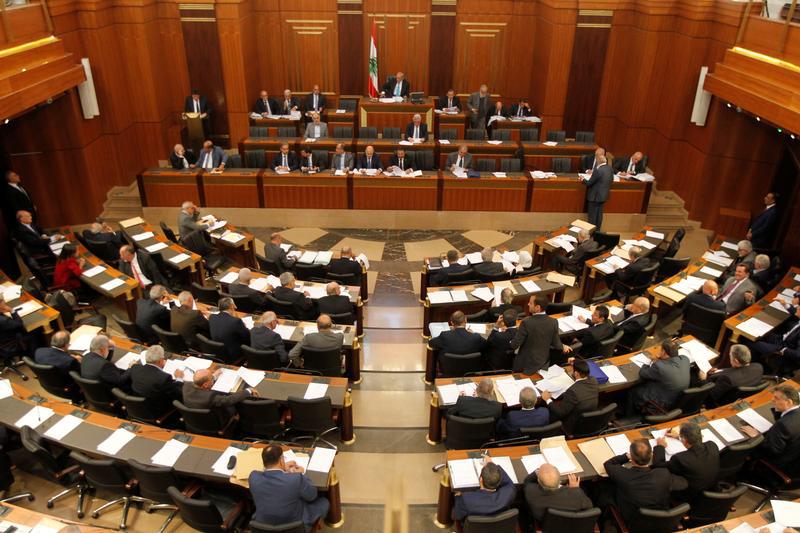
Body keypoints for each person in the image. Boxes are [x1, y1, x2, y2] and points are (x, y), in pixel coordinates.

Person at [603, 439, 688, 531]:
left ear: (632, 458)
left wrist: (626, 456)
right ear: (651, 455)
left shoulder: (624, 475)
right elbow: (684, 484)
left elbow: (608, 464)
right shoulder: (663, 474)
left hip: (633, 523)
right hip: (662, 522)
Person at [249, 444, 330, 532]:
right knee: (324, 502)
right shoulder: (296, 478)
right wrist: (302, 474)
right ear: (281, 460)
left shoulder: (253, 477)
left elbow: (265, 472)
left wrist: (281, 469)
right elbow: (312, 496)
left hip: (264, 527)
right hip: (295, 527)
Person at [653, 422, 719, 501]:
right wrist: (680, 437)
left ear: (685, 440)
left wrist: (660, 446)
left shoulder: (680, 458)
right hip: (711, 488)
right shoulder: (712, 445)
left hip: (691, 495)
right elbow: (697, 444)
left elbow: (658, 465)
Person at [740, 385, 800, 473]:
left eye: (776, 398)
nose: (772, 400)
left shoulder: (783, 425)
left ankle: (743, 472)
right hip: (793, 457)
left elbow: (770, 451)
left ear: (789, 402)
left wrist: (756, 436)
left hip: (779, 464)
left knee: (743, 448)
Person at [510, 295, 570, 374]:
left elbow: (514, 345)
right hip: (543, 364)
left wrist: (510, 340)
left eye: (530, 303)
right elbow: (557, 344)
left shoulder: (526, 322)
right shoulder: (553, 322)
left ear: (537, 307)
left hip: (525, 366)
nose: (528, 304)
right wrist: (563, 346)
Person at [628, 339, 690, 414]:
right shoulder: (685, 359)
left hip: (659, 403)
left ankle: (628, 415)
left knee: (632, 390)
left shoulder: (659, 366)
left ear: (663, 352)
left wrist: (649, 362)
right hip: (675, 400)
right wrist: (660, 359)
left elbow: (643, 373)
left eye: (661, 350)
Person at [541, 359, 598, 435]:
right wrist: (575, 362)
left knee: (548, 412)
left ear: (576, 373)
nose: (570, 371)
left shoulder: (572, 391)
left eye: (572, 370)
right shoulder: (593, 380)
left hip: (573, 424)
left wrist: (547, 399)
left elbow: (561, 413)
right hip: (588, 419)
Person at [182, 368, 256, 425]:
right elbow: (228, 400)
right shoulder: (210, 397)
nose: (213, 379)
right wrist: (248, 391)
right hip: (213, 422)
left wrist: (213, 376)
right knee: (236, 403)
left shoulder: (186, 386)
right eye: (211, 379)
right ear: (206, 384)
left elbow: (202, 383)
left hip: (194, 420)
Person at [524, 464, 593, 522]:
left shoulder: (531, 492)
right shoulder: (577, 494)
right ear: (560, 480)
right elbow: (589, 508)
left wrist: (538, 471)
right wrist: (574, 489)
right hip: (572, 526)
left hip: (548, 526)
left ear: (538, 481)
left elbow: (527, 481)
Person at [128, 345, 183, 415]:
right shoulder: (164, 377)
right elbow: (177, 394)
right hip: (158, 409)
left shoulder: (135, 368)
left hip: (139, 406)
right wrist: (179, 378)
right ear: (160, 361)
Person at [750, 305, 800, 375]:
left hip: (782, 348)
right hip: (781, 339)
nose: (797, 307)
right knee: (759, 333)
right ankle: (757, 361)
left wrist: (783, 350)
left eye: (799, 307)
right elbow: (795, 312)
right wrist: (786, 304)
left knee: (751, 342)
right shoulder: (798, 317)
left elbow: (798, 354)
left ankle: (761, 369)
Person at [209, 297, 250, 361]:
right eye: (234, 305)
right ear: (231, 306)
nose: (235, 307)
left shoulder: (212, 317)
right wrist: (245, 327)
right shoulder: (236, 321)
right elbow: (247, 337)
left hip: (217, 352)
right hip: (232, 355)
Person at [582, 155, 613, 229]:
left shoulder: (598, 170)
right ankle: (597, 230)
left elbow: (589, 183)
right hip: (603, 196)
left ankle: (591, 231)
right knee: (599, 215)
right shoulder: (610, 168)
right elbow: (611, 180)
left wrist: (582, 179)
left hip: (595, 196)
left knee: (592, 216)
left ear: (598, 161)